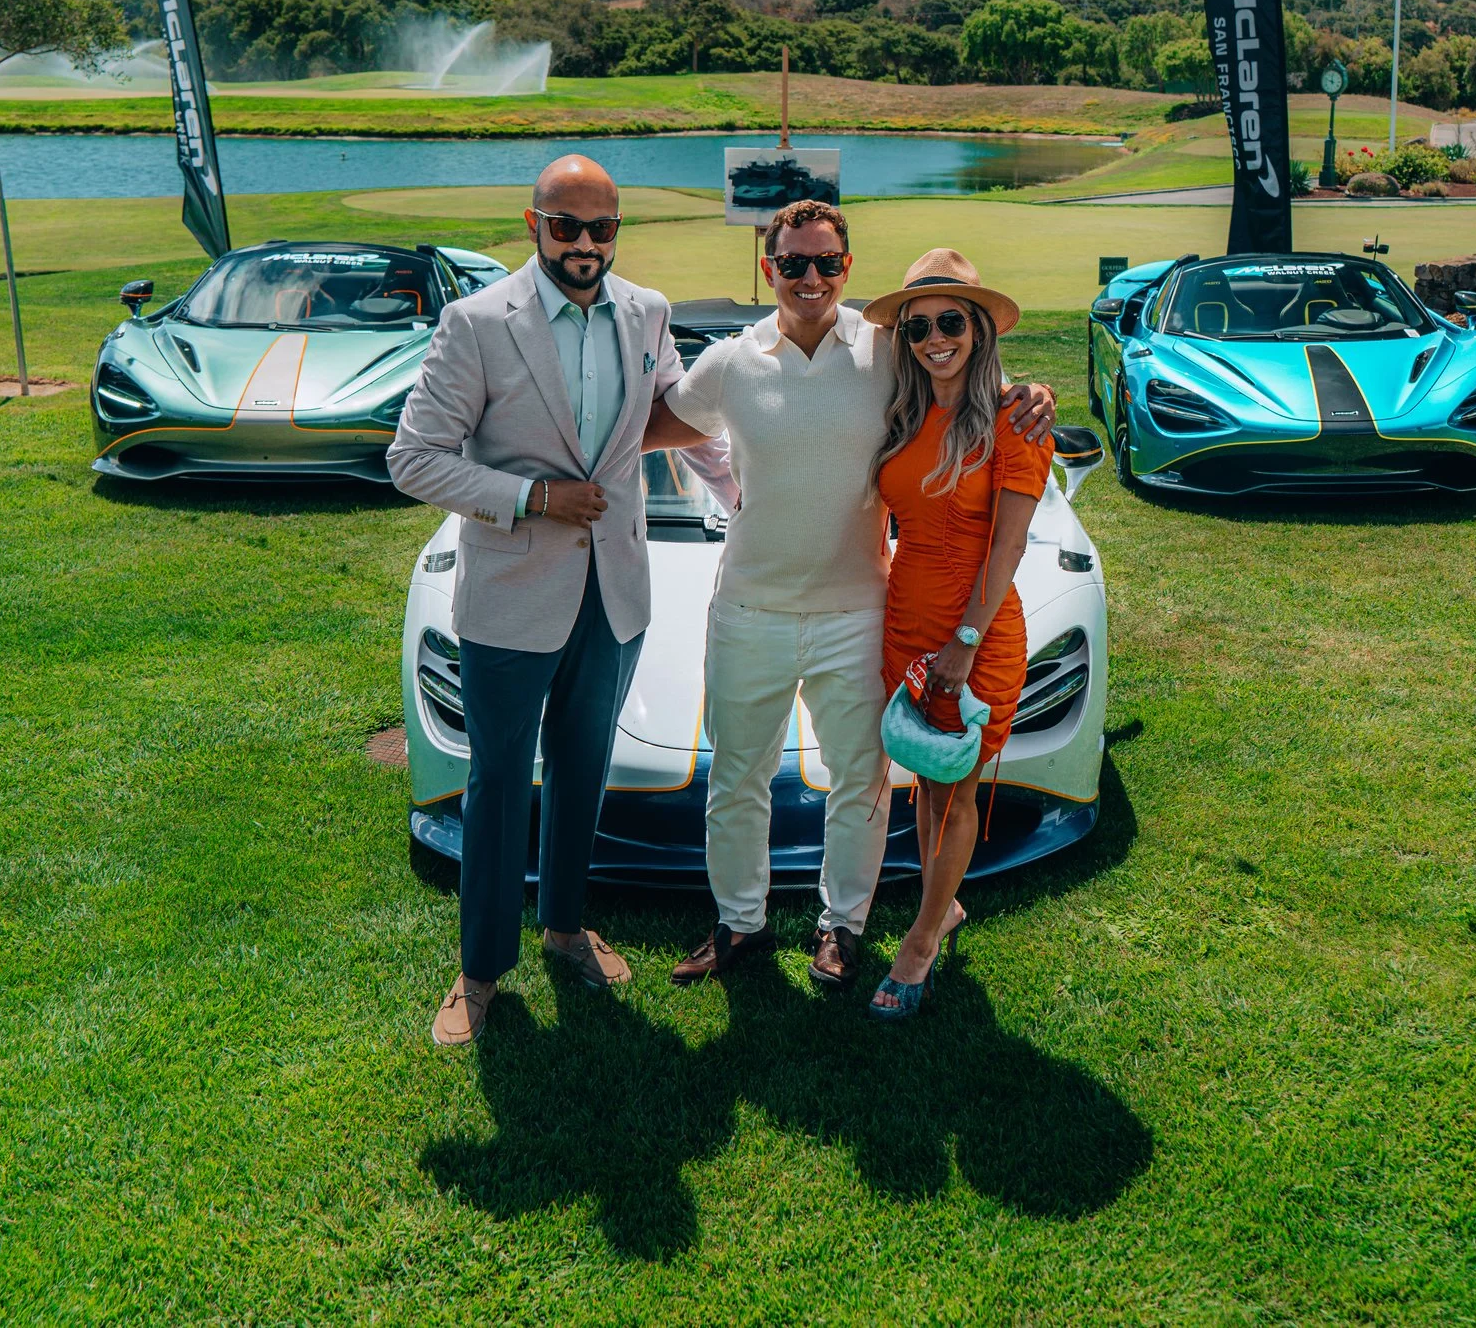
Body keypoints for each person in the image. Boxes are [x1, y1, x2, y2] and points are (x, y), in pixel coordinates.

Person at [653, 203, 1054, 992]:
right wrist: (543, 451)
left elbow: (968, 376)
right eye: (794, 263)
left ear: (847, 266)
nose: (810, 277)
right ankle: (739, 923)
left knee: (861, 781)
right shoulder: (730, 362)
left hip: (858, 610)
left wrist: (1032, 392)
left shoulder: (886, 352)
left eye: (827, 263)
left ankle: (843, 926)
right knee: (736, 777)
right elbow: (653, 428)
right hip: (749, 607)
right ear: (767, 268)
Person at [387, 153, 731, 1045]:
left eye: (602, 227)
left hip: (614, 592)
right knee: (500, 783)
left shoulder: (649, 314)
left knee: (583, 773)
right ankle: (480, 971)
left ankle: (568, 929)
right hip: (511, 593)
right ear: (533, 223)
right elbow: (414, 458)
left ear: (619, 230)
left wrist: (746, 499)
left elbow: (677, 420)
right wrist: (536, 499)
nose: (585, 243)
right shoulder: (474, 324)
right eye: (567, 225)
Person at [861, 250, 1049, 1019]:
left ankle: (919, 946)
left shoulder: (1015, 416)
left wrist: (966, 639)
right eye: (918, 327)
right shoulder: (904, 412)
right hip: (905, 617)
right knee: (924, 770)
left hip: (975, 627)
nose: (935, 339)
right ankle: (946, 905)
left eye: (951, 322)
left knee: (959, 782)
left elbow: (1008, 546)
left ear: (977, 328)